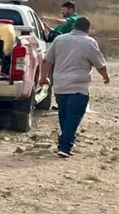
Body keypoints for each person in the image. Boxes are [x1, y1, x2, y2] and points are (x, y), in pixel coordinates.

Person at [40, 16, 109, 158]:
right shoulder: (89, 42)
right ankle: (65, 146)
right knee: (74, 116)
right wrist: (105, 76)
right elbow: (100, 64)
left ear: (73, 27)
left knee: (64, 114)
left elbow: (47, 60)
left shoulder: (59, 40)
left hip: (60, 85)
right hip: (79, 87)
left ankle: (65, 140)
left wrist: (43, 77)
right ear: (87, 29)